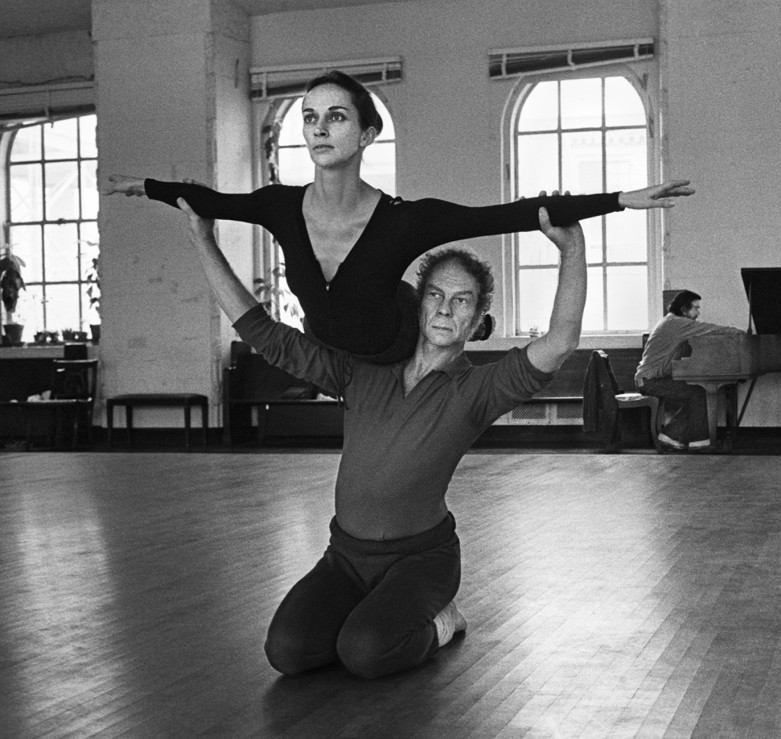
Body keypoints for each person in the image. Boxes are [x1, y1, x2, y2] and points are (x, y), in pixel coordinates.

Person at [175, 192, 596, 678]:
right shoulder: (362, 370)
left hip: (422, 560)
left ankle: (444, 619)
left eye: (461, 302)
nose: (444, 309)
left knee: (366, 652)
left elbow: (561, 340)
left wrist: (572, 250)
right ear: (418, 305)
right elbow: (263, 332)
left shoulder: (478, 389)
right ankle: (373, 612)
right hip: (346, 559)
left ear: (478, 321)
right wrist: (203, 238)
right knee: (288, 651)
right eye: (435, 295)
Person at [102, 70, 693, 362]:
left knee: (433, 322)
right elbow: (209, 202)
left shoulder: (407, 221)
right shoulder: (279, 206)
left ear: (365, 133)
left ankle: (471, 328)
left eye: (335, 117)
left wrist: (620, 200)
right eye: (309, 118)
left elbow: (510, 213)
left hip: (401, 349)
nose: (318, 128)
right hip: (336, 360)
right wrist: (147, 187)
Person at [634, 289, 744, 450]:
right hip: (649, 381)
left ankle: (670, 435)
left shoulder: (670, 322)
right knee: (698, 393)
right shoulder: (677, 323)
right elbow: (710, 329)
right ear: (684, 309)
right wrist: (739, 333)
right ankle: (699, 442)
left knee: (696, 392)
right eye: (695, 308)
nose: (698, 313)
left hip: (650, 379)